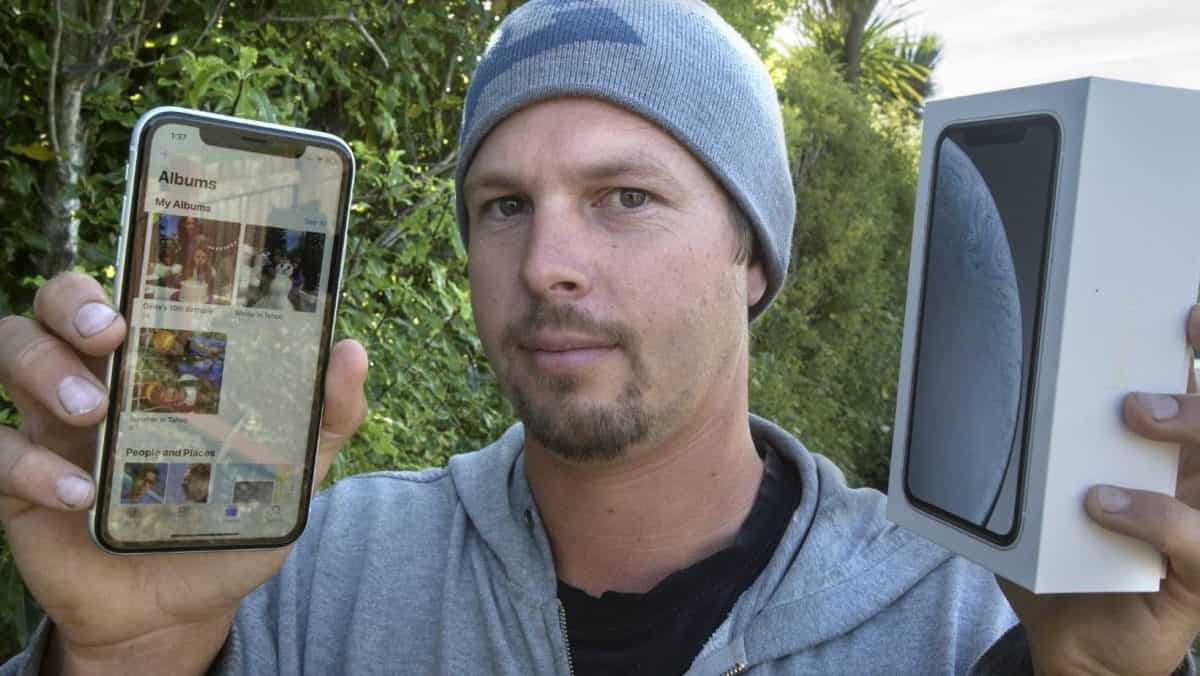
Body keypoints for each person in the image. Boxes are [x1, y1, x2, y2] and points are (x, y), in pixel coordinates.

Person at [1, 1, 1199, 674]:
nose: (547, 262)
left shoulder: (966, 618)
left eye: (625, 196)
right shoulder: (296, 577)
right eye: (503, 206)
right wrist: (122, 659)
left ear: (754, 258)